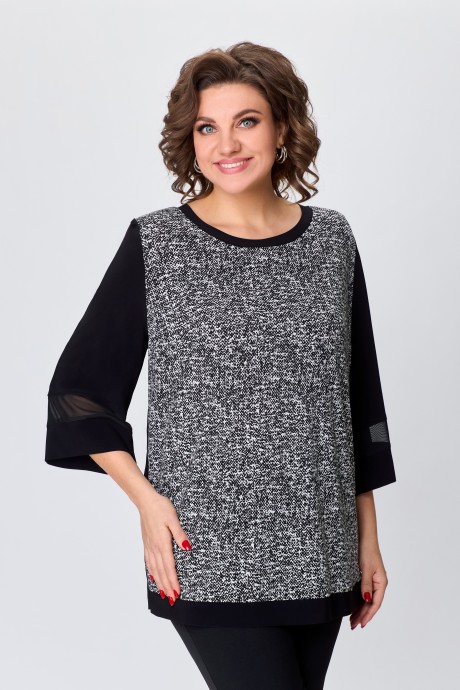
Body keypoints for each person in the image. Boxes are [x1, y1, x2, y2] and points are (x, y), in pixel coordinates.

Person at [44, 41, 397, 689]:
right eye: (207, 127)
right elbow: (79, 392)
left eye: (247, 121)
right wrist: (148, 503)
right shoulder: (158, 243)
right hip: (208, 549)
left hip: (320, 544)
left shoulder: (331, 239)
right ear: (191, 138)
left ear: (283, 129)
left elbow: (356, 402)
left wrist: (366, 540)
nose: (226, 144)